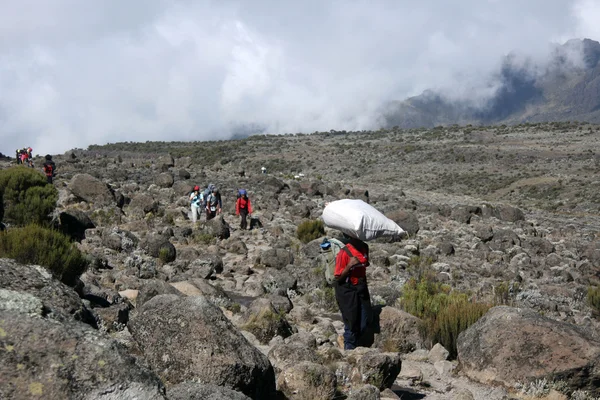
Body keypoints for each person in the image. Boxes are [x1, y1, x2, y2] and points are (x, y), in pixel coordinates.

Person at [334, 235, 373, 350]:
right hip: (346, 290)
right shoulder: (344, 252)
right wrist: (349, 265)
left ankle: (349, 341)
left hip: (361, 287)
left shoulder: (364, 247)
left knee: (364, 321)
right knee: (351, 322)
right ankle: (349, 350)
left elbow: (366, 263)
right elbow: (338, 278)